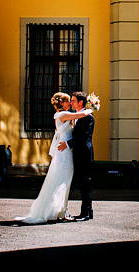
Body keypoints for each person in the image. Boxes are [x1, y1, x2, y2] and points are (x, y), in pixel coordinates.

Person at [15, 92, 91, 224]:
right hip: (64, 152)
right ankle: (55, 210)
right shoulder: (63, 115)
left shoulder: (64, 115)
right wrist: (91, 108)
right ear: (61, 103)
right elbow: (83, 114)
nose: (70, 103)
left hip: (67, 151)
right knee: (62, 180)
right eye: (68, 101)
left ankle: (61, 210)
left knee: (63, 180)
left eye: (72, 101)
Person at [58, 91, 94, 221]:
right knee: (83, 183)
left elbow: (83, 137)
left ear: (80, 102)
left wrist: (67, 144)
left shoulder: (89, 117)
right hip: (78, 154)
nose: (71, 102)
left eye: (73, 100)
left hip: (84, 154)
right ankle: (87, 212)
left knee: (85, 183)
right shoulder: (77, 116)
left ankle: (86, 213)